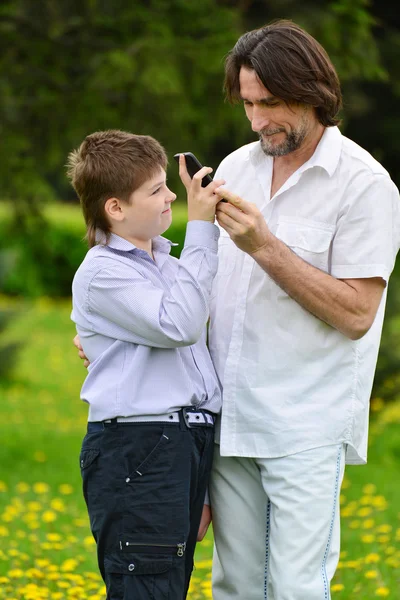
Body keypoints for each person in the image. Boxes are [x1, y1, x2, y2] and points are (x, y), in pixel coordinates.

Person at [206, 19, 400, 600]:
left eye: (273, 103)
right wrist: (120, 332)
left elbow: (357, 313)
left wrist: (264, 246)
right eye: (249, 104)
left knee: (295, 588)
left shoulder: (366, 185)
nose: (260, 119)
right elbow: (199, 282)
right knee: (236, 586)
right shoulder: (237, 167)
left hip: (305, 423)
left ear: (315, 94)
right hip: (229, 418)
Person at [67, 129, 225, 599]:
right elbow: (181, 325)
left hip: (181, 443)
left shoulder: (170, 266)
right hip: (140, 446)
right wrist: (201, 228)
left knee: (167, 587)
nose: (171, 195)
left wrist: (202, 474)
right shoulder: (102, 271)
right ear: (115, 208)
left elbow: (200, 363)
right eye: (156, 189)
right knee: (147, 590)